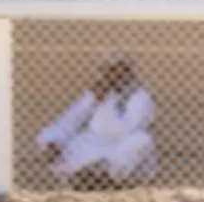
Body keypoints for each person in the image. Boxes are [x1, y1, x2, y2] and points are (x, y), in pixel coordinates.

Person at [36, 56, 160, 188]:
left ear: (128, 72)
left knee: (141, 141)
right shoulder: (94, 95)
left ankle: (107, 177)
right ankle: (87, 176)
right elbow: (67, 122)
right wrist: (52, 141)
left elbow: (127, 129)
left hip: (119, 146)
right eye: (108, 71)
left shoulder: (139, 96)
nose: (112, 75)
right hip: (91, 144)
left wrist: (106, 106)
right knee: (64, 140)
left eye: (117, 70)